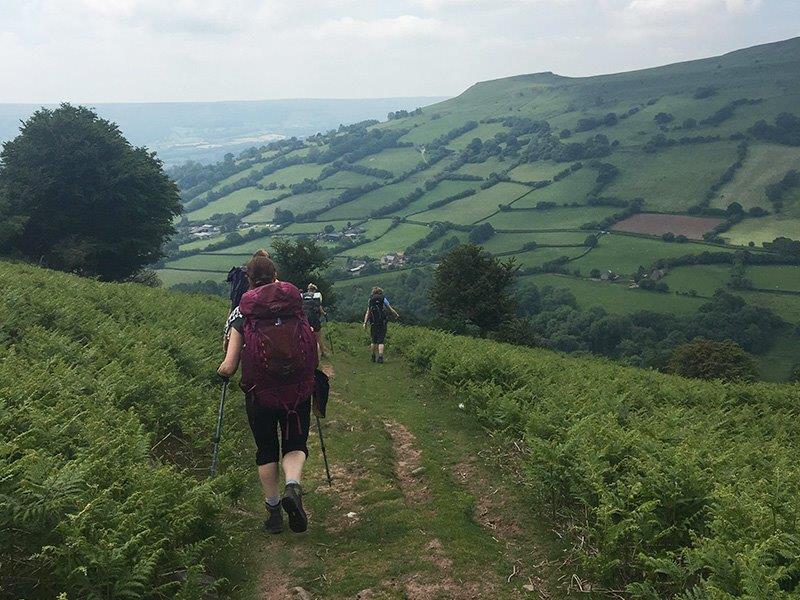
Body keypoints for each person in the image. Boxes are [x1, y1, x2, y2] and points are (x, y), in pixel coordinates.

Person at [218, 250, 317, 534]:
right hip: (297, 391)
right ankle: (293, 486)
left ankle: (273, 513)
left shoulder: (242, 314)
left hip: (259, 394)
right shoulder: (295, 309)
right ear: (276, 276)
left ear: (248, 279)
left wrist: (221, 373)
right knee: (295, 443)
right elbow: (313, 349)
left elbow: (229, 366)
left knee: (266, 450)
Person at [362, 286, 399, 363]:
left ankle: (373, 356)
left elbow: (368, 312)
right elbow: (389, 308)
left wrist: (365, 323)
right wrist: (396, 314)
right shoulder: (383, 299)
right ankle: (381, 357)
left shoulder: (371, 300)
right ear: (380, 292)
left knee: (373, 340)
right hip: (382, 322)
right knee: (381, 341)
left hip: (373, 323)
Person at [302, 283, 326, 358]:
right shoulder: (316, 297)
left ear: (308, 289)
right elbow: (320, 309)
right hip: (315, 319)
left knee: (307, 336)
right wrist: (324, 314)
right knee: (318, 337)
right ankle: (322, 353)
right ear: (315, 290)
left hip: (305, 319)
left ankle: (308, 354)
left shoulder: (303, 296)